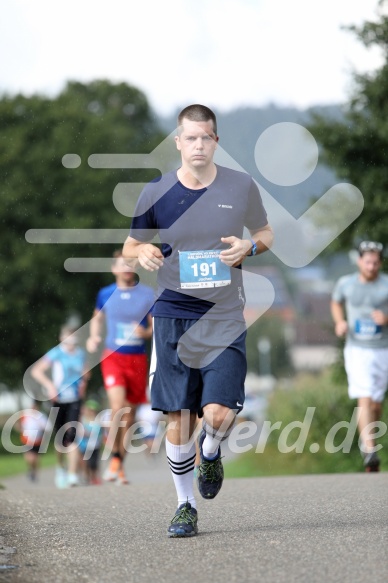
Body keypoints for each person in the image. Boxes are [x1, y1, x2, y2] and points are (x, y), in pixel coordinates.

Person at [123, 104, 273, 537]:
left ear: (216, 141)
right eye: (191, 138)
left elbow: (266, 235)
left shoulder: (240, 185)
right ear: (178, 142)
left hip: (224, 315)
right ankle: (185, 506)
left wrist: (250, 248)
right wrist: (143, 252)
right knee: (179, 419)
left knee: (219, 414)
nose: (199, 145)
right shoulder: (155, 192)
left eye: (206, 137)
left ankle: (211, 452)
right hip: (173, 316)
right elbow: (130, 246)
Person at [86, 251, 154, 485]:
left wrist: (143, 333)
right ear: (113, 269)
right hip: (113, 356)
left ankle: (118, 462)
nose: (126, 267)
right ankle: (114, 455)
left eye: (130, 264)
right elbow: (97, 318)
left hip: (137, 359)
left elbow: (153, 328)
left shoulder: (146, 294)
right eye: (122, 264)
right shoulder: (105, 294)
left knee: (129, 416)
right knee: (117, 407)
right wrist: (94, 337)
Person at [331, 240, 388, 472]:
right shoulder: (346, 284)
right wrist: (340, 322)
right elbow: (336, 302)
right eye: (368, 262)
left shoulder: (386, 285)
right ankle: (369, 449)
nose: (371, 267)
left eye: (375, 263)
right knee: (363, 396)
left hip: (382, 348)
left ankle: (368, 440)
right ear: (359, 261)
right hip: (357, 349)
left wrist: (386, 319)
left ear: (380, 263)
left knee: (376, 403)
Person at [31, 325, 88, 487]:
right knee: (60, 439)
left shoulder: (81, 354)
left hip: (75, 400)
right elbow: (36, 371)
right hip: (58, 400)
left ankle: (72, 475)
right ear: (62, 338)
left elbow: (85, 374)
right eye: (68, 336)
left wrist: (83, 385)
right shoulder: (56, 353)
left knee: (71, 436)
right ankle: (60, 467)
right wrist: (50, 386)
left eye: (74, 336)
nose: (71, 340)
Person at [19, 400, 51, 482]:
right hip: (27, 439)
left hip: (38, 440)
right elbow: (19, 424)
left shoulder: (41, 416)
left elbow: (47, 428)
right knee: (29, 458)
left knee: (36, 458)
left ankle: (35, 473)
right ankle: (30, 469)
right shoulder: (25, 415)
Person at [77, 399, 103, 485]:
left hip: (94, 446)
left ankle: (94, 476)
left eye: (93, 410)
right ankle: (86, 476)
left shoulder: (97, 420)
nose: (91, 412)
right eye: (89, 410)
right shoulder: (82, 419)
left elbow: (97, 432)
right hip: (83, 445)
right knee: (84, 462)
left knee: (93, 463)